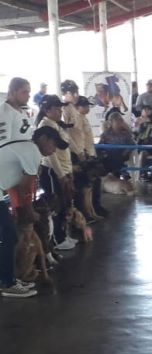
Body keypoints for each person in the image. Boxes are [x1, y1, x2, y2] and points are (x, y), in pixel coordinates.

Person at [0, 127, 63, 298]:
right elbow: (24, 188)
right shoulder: (32, 151)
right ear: (43, 138)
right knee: (8, 235)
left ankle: (8, 279)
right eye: (54, 144)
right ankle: (7, 283)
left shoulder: (26, 147)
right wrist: (29, 211)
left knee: (9, 235)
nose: (54, 150)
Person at [36, 95, 76, 251]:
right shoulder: (45, 126)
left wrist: (68, 171)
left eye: (61, 109)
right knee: (55, 205)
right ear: (47, 110)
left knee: (64, 204)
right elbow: (51, 155)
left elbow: (64, 150)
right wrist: (61, 175)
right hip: (53, 172)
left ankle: (63, 234)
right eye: (56, 109)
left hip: (63, 170)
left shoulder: (56, 125)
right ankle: (57, 239)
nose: (60, 112)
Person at [99, 112, 136, 177]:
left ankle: (116, 174)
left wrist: (125, 152)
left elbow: (132, 144)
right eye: (116, 120)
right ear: (111, 122)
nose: (118, 122)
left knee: (116, 155)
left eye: (120, 120)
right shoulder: (106, 133)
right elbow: (100, 144)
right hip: (109, 154)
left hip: (122, 154)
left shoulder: (125, 133)